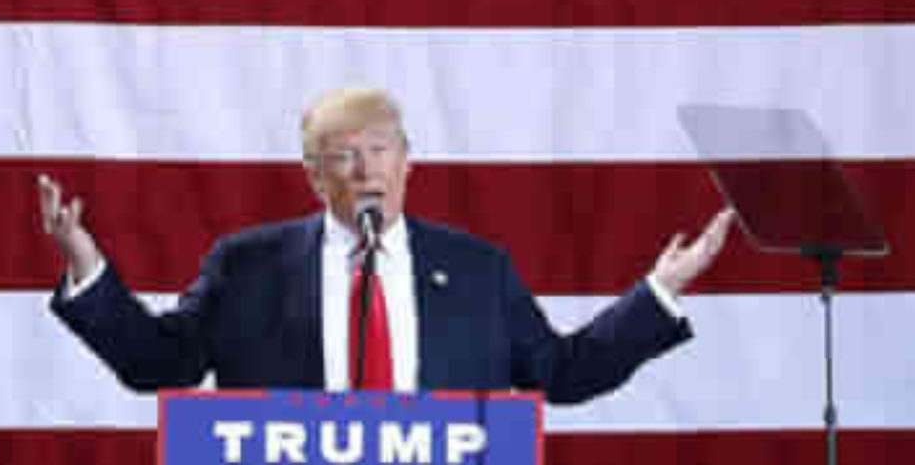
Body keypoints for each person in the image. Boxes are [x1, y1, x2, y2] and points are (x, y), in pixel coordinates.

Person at [39, 87, 732, 402]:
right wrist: (85, 263)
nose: (367, 169)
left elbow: (562, 373)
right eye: (344, 156)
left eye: (380, 150)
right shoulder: (247, 266)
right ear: (314, 177)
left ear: (409, 163)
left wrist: (660, 292)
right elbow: (161, 364)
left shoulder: (477, 270)